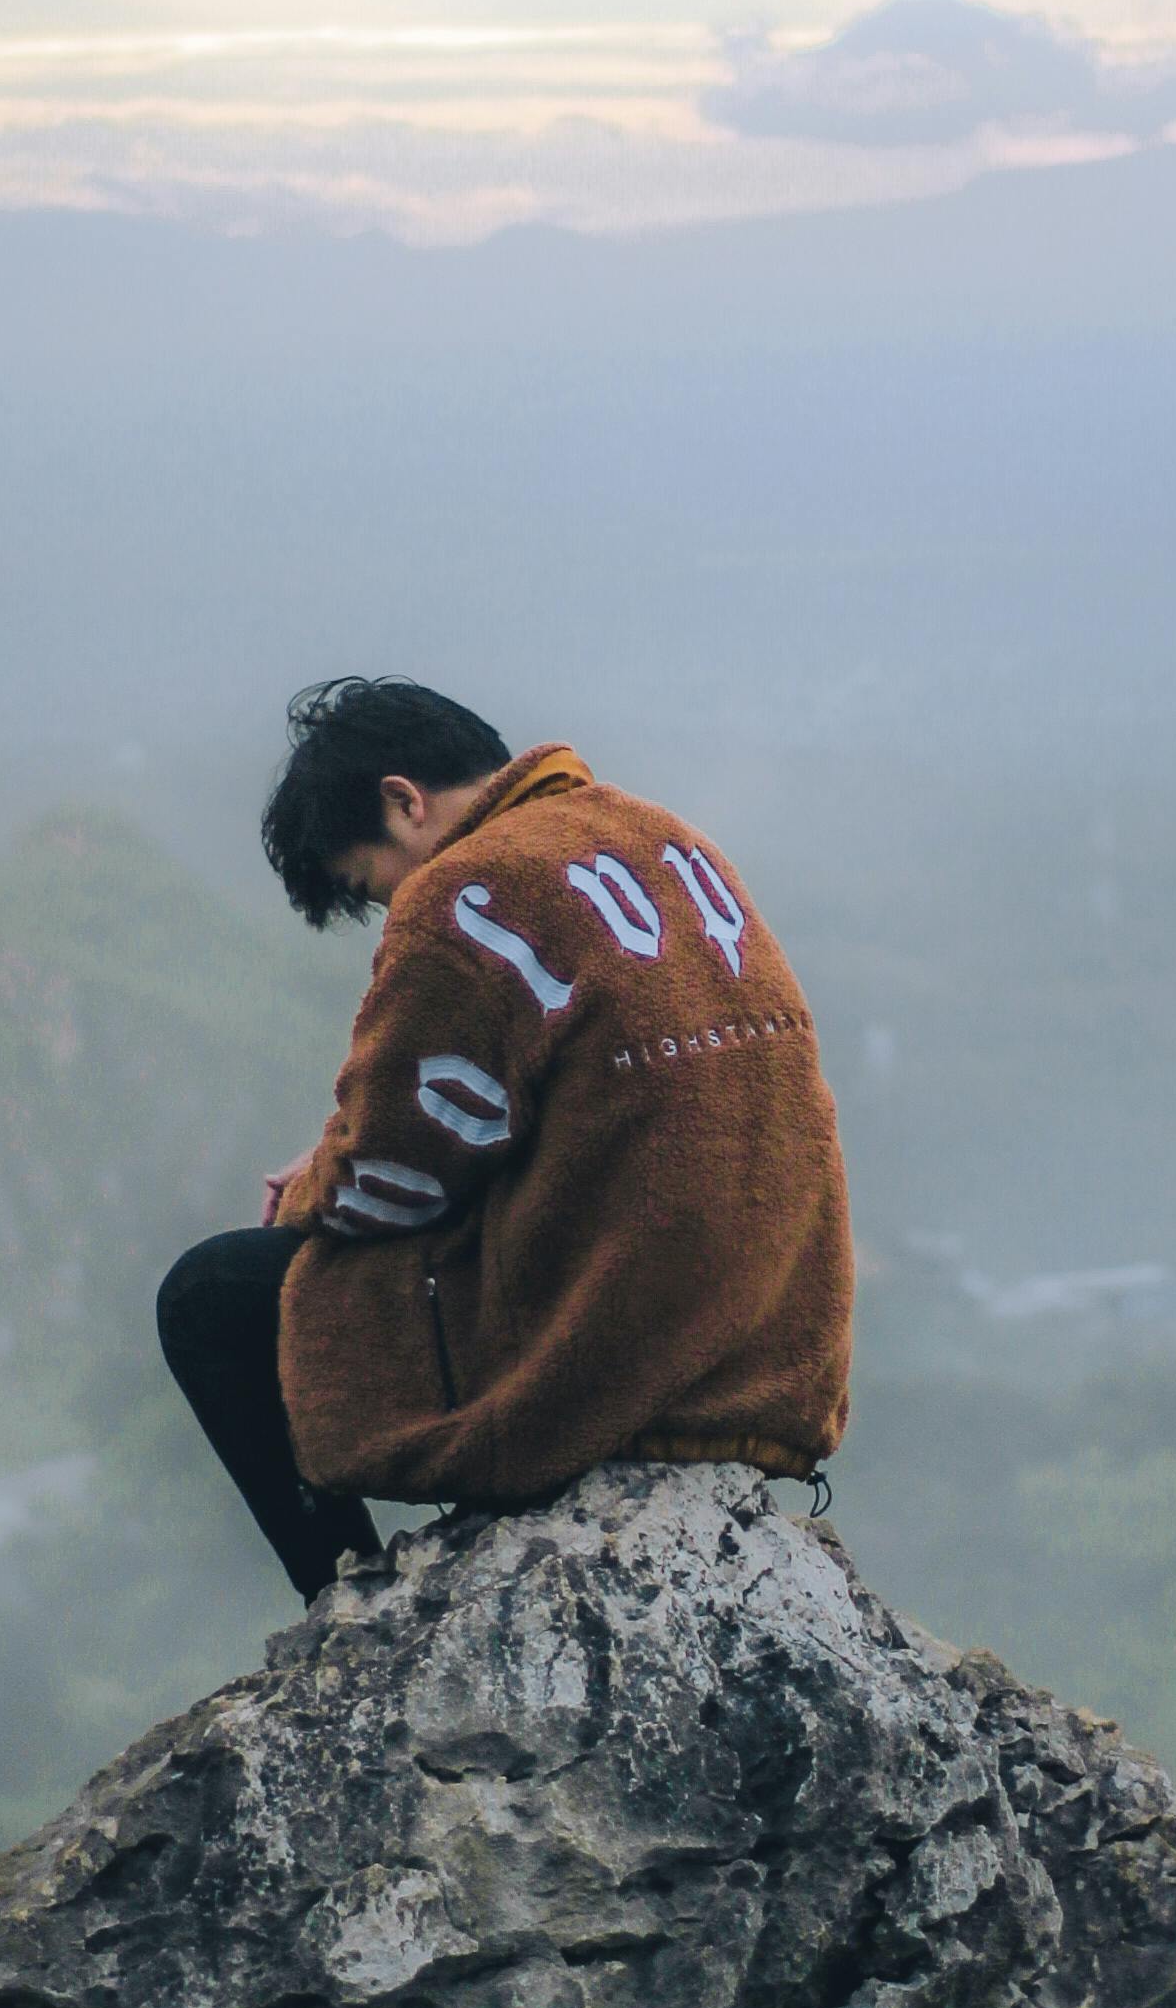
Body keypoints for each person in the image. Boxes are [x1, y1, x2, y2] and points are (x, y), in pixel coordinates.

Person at [157, 676, 855, 1599]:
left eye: (369, 884)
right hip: (768, 1362)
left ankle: (344, 1604)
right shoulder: (668, 842)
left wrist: (311, 1185)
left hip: (620, 1353)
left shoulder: (465, 893)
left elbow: (390, 1174)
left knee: (210, 1294)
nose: (388, 907)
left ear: (403, 802)